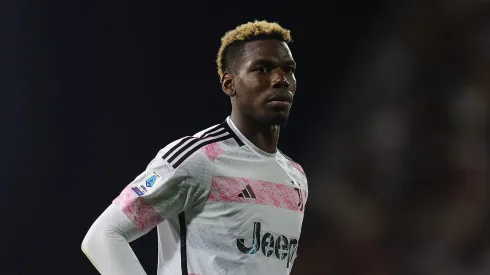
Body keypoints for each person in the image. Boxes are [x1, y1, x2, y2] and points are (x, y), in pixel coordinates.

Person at [81, 20, 308, 275]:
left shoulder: (295, 177)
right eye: (263, 69)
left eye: (288, 69)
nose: (281, 79)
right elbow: (104, 236)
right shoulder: (199, 158)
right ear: (229, 84)